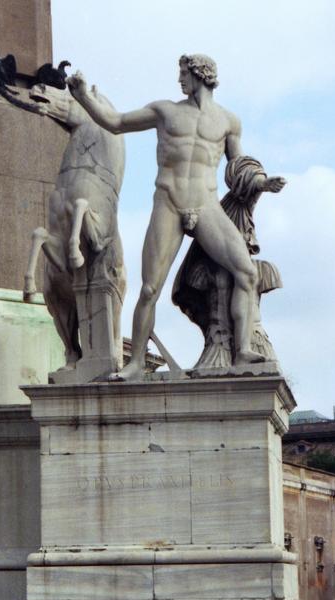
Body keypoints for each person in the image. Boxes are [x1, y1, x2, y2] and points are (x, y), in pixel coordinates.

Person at [68, 54, 285, 380]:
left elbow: (236, 170)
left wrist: (262, 183)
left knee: (247, 273)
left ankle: (243, 353)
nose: (179, 80)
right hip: (168, 203)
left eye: (183, 74)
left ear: (200, 75)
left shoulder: (229, 121)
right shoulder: (165, 111)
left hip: (206, 205)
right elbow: (116, 121)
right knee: (149, 289)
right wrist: (83, 95)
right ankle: (137, 362)